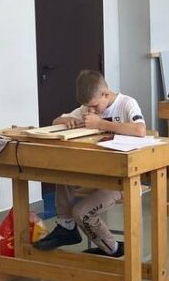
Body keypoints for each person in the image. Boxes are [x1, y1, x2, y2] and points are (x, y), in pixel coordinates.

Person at [35, 70, 145, 257]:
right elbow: (55, 121)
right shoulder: (87, 108)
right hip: (96, 175)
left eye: (94, 106)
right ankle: (66, 226)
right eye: (87, 107)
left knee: (81, 213)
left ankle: (113, 249)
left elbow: (140, 130)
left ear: (105, 94)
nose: (91, 111)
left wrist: (101, 124)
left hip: (122, 180)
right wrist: (66, 120)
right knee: (62, 170)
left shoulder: (126, 104)